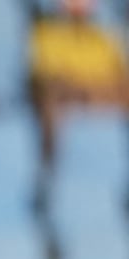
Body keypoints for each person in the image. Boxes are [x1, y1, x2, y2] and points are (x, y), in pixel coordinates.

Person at [29, 0, 129, 164]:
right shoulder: (45, 29)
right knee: (50, 96)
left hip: (102, 88)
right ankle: (49, 162)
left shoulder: (105, 30)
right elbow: (48, 67)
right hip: (68, 91)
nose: (79, 3)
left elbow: (117, 66)